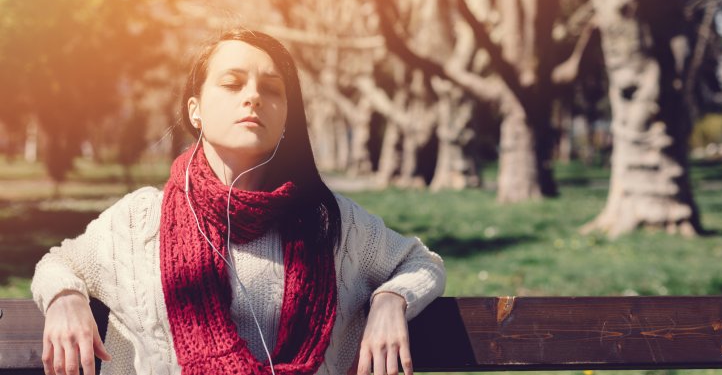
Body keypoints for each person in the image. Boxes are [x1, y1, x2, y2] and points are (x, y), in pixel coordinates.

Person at [31, 29, 446, 375]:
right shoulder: (140, 221)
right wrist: (65, 297)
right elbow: (60, 263)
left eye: (271, 90)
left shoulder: (330, 223)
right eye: (232, 84)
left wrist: (392, 300)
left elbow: (420, 263)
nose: (253, 97)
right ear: (195, 110)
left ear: (285, 118)